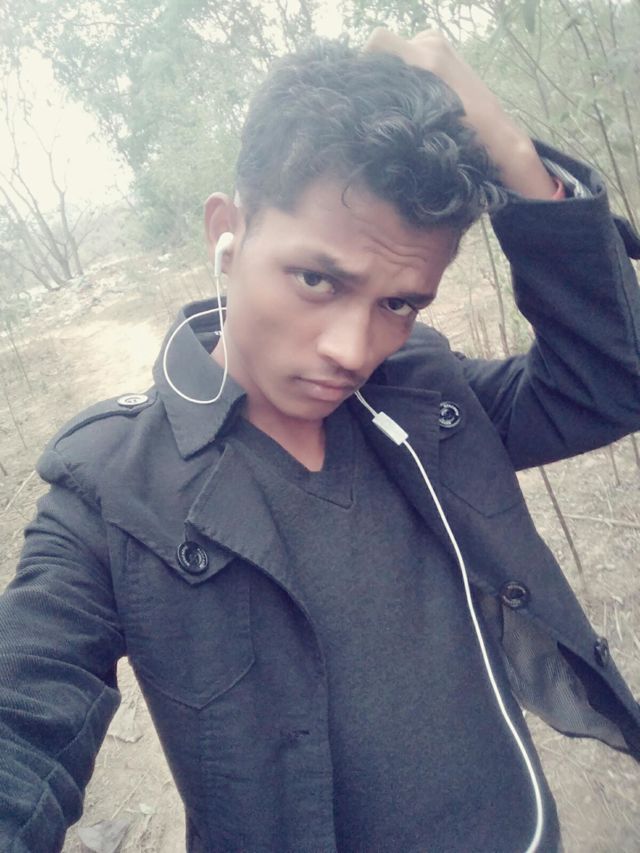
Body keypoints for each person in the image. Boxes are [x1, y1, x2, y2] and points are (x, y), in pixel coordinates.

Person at [1, 27, 639, 853]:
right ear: (227, 231)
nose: (352, 348)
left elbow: (606, 380)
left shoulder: (425, 398)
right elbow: (23, 717)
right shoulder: (111, 491)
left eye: (400, 302)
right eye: (316, 278)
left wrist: (511, 149)